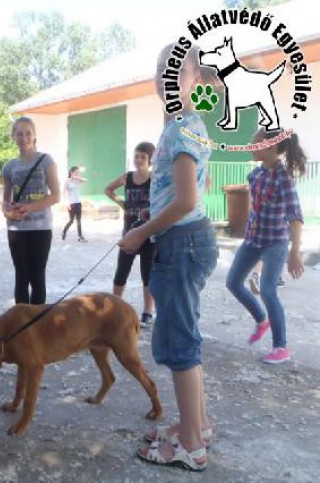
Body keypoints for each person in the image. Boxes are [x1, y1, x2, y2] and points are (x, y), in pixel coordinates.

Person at [120, 43, 218, 471]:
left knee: (180, 344)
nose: (166, 77)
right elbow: (198, 182)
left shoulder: (180, 127)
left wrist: (141, 230)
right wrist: (153, 209)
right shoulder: (186, 123)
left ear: (194, 79)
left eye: (176, 71)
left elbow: (186, 200)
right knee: (185, 336)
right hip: (186, 239)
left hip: (181, 243)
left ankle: (191, 446)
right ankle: (198, 424)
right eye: (161, 69)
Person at [226, 128, 306, 364]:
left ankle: (280, 346)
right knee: (233, 282)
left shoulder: (284, 178)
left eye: (256, 142)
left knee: (268, 289)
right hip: (253, 240)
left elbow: (296, 217)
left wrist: (295, 253)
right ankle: (262, 319)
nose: (251, 146)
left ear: (270, 147)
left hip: (276, 242)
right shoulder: (255, 175)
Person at [2, 116, 60, 305]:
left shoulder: (46, 160)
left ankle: (38, 326)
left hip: (41, 228)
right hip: (17, 230)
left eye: (28, 133)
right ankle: (21, 325)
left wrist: (29, 207)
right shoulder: (9, 166)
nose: (24, 137)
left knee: (37, 277)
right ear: (14, 136)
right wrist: (7, 212)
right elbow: (5, 201)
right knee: (21, 277)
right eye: (19, 133)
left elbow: (55, 195)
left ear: (34, 136)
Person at [105, 142, 156, 327]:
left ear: (150, 159)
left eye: (143, 156)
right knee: (121, 271)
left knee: (148, 274)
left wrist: (152, 210)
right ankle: (113, 308)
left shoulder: (155, 178)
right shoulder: (127, 177)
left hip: (149, 233)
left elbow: (163, 198)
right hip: (129, 232)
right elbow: (108, 189)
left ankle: (147, 312)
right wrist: (121, 203)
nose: (138, 160)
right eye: (136, 156)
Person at [61, 166, 87, 242]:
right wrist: (67, 203)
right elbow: (64, 192)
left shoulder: (77, 180)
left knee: (79, 220)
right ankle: (64, 232)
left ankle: (80, 237)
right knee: (71, 221)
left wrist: (77, 178)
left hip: (78, 203)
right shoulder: (68, 181)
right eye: (76, 172)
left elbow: (85, 181)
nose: (77, 173)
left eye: (78, 172)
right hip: (71, 203)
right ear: (72, 172)